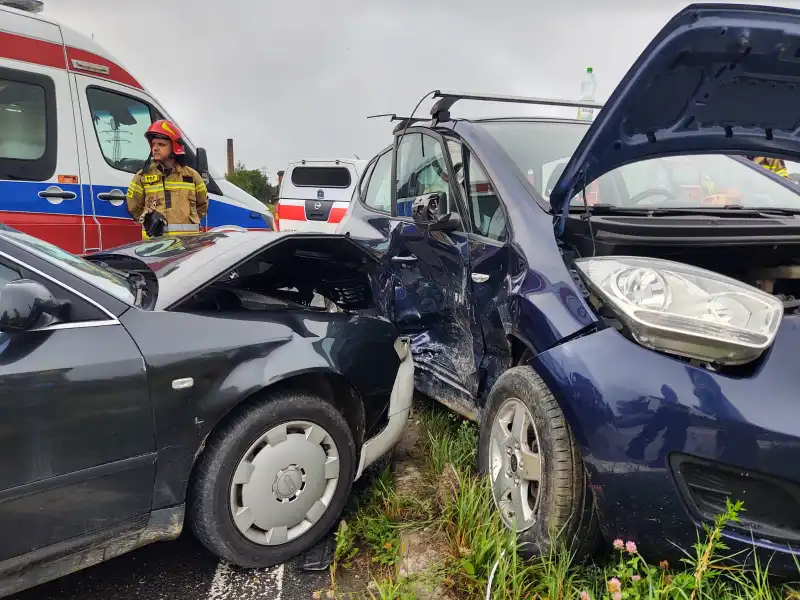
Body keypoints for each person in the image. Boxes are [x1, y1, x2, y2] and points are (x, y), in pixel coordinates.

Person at [126, 119, 208, 238]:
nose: (155, 148)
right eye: (153, 144)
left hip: (187, 245)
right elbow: (133, 206)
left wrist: (188, 223)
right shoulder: (142, 176)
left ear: (175, 147)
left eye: (161, 144)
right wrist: (148, 220)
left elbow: (202, 205)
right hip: (154, 247)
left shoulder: (192, 176)